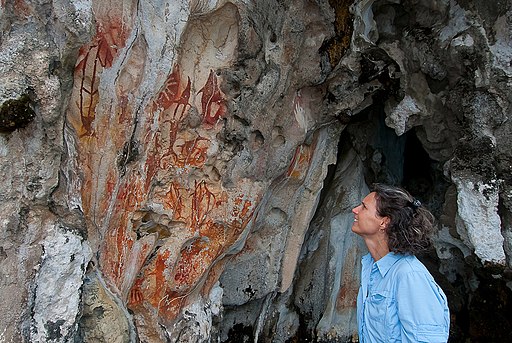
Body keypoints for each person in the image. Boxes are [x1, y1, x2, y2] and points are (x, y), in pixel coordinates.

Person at [352, 183, 449, 342]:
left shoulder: (409, 275)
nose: (355, 210)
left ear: (384, 222)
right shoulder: (371, 267)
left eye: (364, 207)